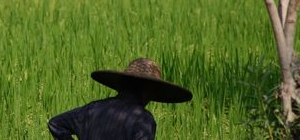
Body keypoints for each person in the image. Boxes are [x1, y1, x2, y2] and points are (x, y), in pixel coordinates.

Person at [48, 58, 193, 140]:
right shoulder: (142, 119)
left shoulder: (92, 109)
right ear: (148, 91)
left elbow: (56, 124)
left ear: (122, 84)